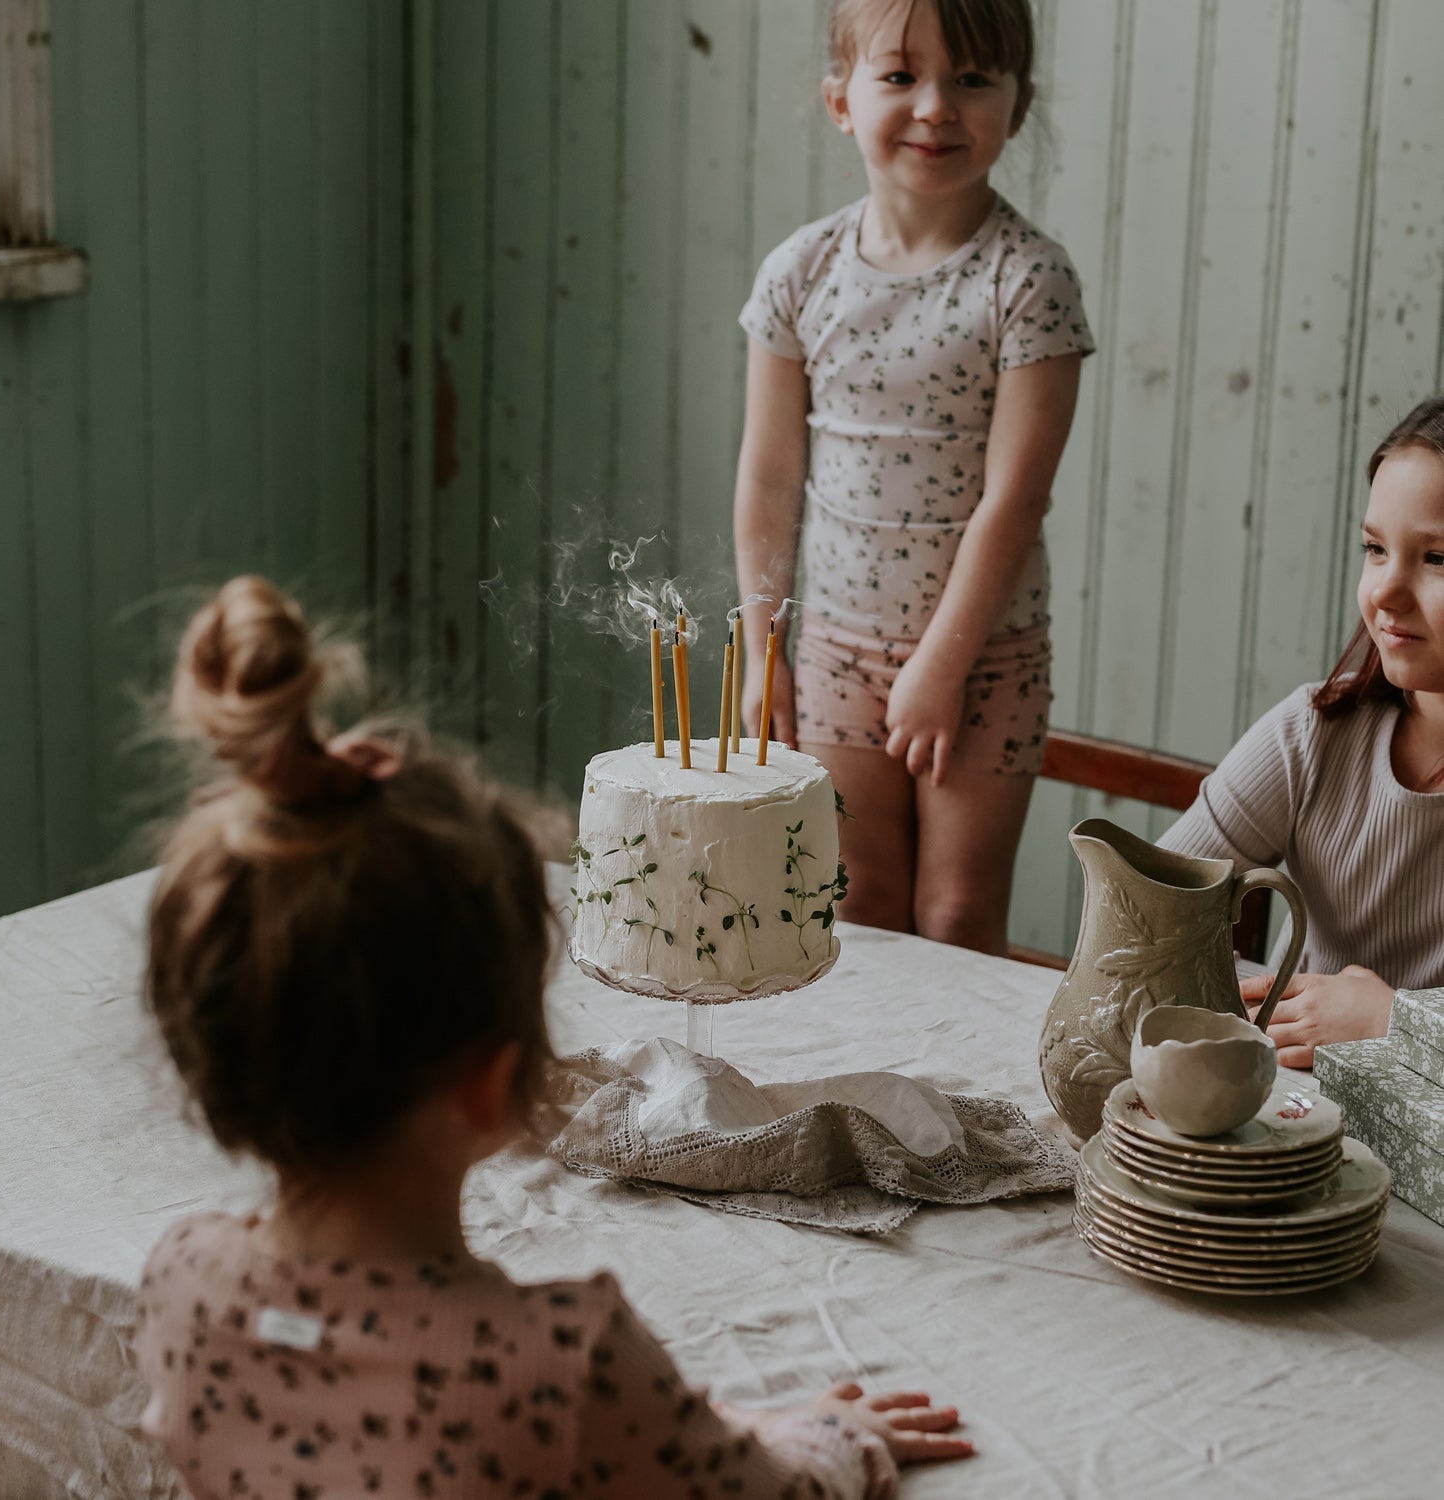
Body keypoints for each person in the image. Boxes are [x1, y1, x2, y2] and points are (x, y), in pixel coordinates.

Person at [133, 576, 973, 1499]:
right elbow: (767, 1492)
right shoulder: (566, 1370)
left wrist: (703, 1424)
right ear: (496, 1083)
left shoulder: (185, 1286)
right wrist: (829, 1436)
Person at [733, 0, 1093, 954]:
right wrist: (764, 643)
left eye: (973, 78)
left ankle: (956, 1111)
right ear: (841, 99)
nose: (936, 105)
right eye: (900, 76)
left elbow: (1016, 496)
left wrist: (942, 662)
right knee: (858, 905)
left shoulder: (1028, 281)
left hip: (986, 656)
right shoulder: (800, 273)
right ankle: (873, 1105)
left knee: (957, 914)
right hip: (840, 650)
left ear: (1016, 106)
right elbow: (769, 479)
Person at [1161, 396, 1444, 1067]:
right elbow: (1148, 910)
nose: (1385, 591)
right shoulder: (1312, 732)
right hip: (1290, 1114)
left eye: (1438, 559)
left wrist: (1391, 1021)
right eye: (1375, 549)